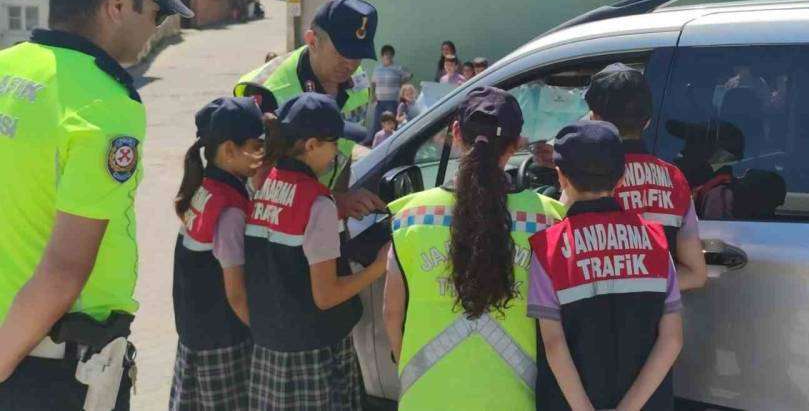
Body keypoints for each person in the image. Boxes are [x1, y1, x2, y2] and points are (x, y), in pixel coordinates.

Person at [0, 0, 193, 409]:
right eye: (158, 10)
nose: (159, 26)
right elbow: (63, 271)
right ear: (119, 2)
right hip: (50, 373)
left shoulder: (8, 68)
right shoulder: (106, 104)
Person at [383, 87, 566, 410]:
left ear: (456, 133)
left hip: (426, 398)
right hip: (510, 399)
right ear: (515, 144)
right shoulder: (547, 218)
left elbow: (392, 314)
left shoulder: (410, 216)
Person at [245, 93, 389, 410]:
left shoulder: (264, 184)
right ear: (310, 146)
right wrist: (379, 267)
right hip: (314, 353)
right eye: (333, 143)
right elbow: (326, 295)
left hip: (270, 345)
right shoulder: (318, 204)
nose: (337, 151)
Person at [528, 121, 683, 411]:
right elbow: (672, 339)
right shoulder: (656, 241)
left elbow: (554, 345)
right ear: (622, 177)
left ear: (561, 177)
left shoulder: (549, 247)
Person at [234, 0, 385, 220]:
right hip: (269, 228)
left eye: (359, 54)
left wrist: (337, 209)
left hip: (320, 219)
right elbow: (258, 181)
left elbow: (343, 154)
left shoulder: (359, 84)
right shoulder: (266, 91)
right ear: (312, 40)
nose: (351, 64)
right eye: (342, 53)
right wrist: (335, 202)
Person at [170, 97, 264, 410]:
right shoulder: (230, 211)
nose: (262, 153)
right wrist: (267, 338)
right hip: (223, 344)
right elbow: (236, 294)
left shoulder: (206, 188)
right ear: (228, 150)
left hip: (197, 337)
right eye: (255, 145)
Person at [586, 64, 708, 292]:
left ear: (595, 119)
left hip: (594, 319)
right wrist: (642, 285)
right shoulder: (674, 178)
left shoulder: (585, 176)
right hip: (657, 323)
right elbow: (695, 274)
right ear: (648, 121)